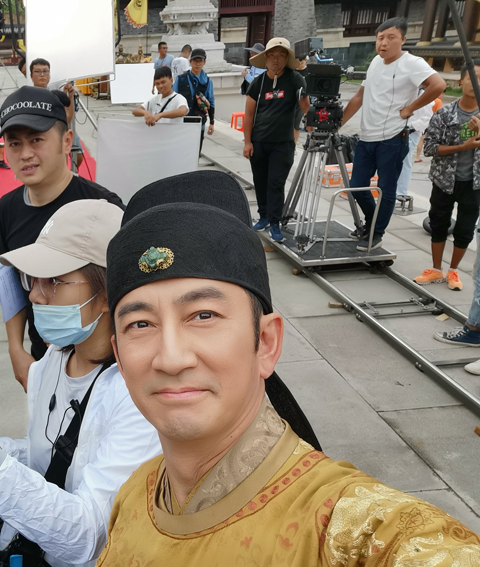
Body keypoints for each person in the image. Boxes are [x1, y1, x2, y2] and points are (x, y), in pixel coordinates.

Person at [94, 176, 480, 566]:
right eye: (140, 324)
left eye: (203, 315)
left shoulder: (349, 529)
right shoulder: (134, 494)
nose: (171, 358)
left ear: (266, 342)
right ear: (119, 359)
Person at [0, 199, 162, 567]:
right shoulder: (52, 361)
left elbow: (90, 536)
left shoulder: (138, 395)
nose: (35, 294)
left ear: (107, 292)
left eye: (54, 281)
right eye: (32, 279)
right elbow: (46, 454)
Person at [0, 86, 123, 390]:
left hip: (101, 363)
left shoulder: (102, 208)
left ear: (67, 141)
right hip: (44, 357)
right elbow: (10, 282)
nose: (25, 154)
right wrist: (15, 348)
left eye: (36, 140)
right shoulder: (8, 207)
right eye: (14, 143)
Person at [341, 17, 445, 252]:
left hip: (392, 138)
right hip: (367, 136)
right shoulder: (376, 62)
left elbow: (438, 85)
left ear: (403, 39)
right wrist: (339, 122)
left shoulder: (412, 63)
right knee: (357, 186)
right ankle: (372, 222)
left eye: (391, 37)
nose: (384, 43)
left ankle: (376, 233)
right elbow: (360, 95)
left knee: (386, 189)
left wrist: (410, 108)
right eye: (380, 38)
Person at [416, 61, 480, 303]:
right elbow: (430, 148)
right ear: (460, 82)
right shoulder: (444, 113)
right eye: (471, 77)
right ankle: (435, 269)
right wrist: (464, 145)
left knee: (465, 228)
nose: (476, 83)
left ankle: (453, 270)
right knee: (438, 222)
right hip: (444, 179)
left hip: (474, 183)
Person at [242, 38, 310, 243]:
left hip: (283, 143)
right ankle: (263, 216)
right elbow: (248, 115)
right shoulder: (258, 82)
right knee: (260, 181)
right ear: (265, 58)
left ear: (286, 58)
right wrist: (247, 142)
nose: (275, 59)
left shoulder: (295, 79)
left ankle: (274, 222)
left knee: (276, 183)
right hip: (259, 141)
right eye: (271, 55)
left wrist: (310, 123)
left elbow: (305, 105)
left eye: (281, 55)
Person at [173, 48, 215, 152]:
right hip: (182, 121)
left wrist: (212, 122)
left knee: (196, 153)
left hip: (199, 122)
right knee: (181, 151)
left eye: (200, 61)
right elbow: (173, 99)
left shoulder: (207, 81)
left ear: (204, 62)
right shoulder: (181, 79)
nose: (197, 64)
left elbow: (211, 101)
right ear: (190, 61)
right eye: (195, 60)